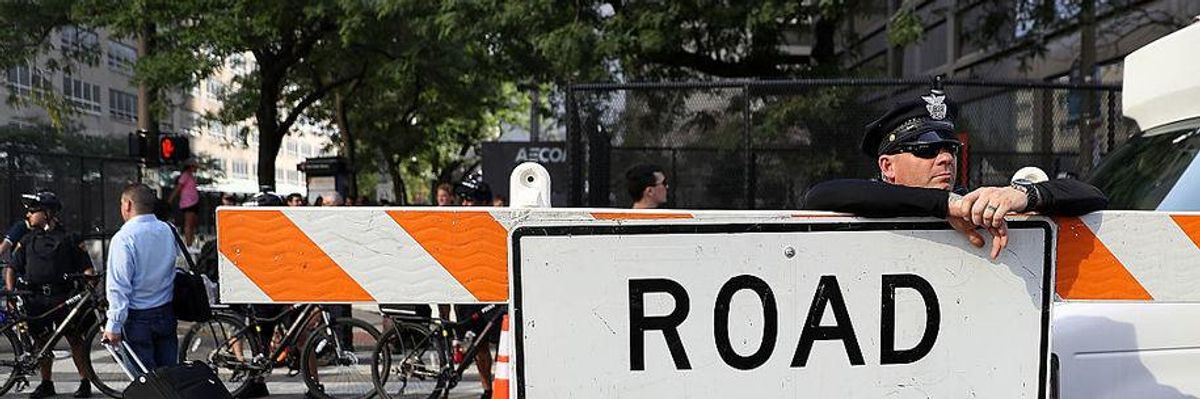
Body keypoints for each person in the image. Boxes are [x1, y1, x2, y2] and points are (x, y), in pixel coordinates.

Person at [802, 87, 1108, 258]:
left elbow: (1093, 195)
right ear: (887, 166)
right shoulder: (868, 201)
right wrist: (943, 206)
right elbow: (820, 195)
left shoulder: (971, 204)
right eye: (927, 147)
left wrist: (1024, 195)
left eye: (950, 147)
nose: (945, 157)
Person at [6, 191, 95, 399]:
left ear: (48, 213)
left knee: (75, 340)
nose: (28, 215)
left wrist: (88, 287)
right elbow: (11, 268)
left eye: (33, 211)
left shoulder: (70, 238)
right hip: (35, 299)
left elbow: (87, 269)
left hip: (64, 297)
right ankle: (46, 383)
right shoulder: (27, 239)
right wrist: (11, 293)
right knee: (42, 342)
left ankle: (85, 382)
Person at [104, 184, 179, 372]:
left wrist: (114, 323)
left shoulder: (124, 238)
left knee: (145, 382)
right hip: (166, 310)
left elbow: (119, 284)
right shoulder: (168, 230)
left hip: (137, 317)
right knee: (169, 376)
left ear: (128, 205)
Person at [451, 177, 502, 398]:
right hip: (468, 289)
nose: (464, 205)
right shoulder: (457, 222)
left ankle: (502, 384)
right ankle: (486, 389)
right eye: (462, 201)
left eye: (469, 201)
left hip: (494, 290)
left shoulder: (496, 220)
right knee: (478, 345)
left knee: (502, 344)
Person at [168, 161, 200, 246]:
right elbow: (178, 187)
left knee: (192, 223)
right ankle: (189, 243)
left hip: (194, 201)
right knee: (189, 223)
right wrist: (170, 199)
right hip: (188, 202)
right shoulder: (185, 175)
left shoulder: (191, 176)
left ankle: (191, 241)